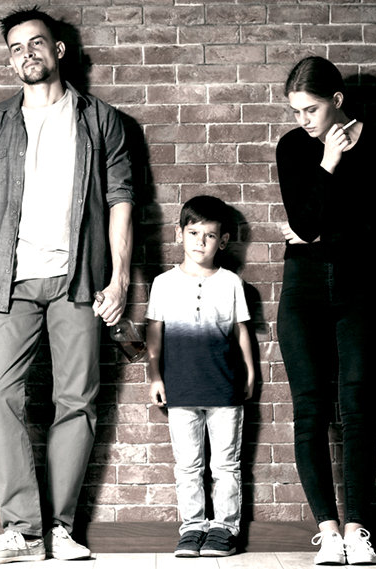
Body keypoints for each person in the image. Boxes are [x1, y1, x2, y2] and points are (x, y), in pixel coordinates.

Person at [0, 7, 134, 565]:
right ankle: (23, 532)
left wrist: (119, 279)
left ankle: (59, 528)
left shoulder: (101, 120)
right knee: (1, 396)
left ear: (58, 50)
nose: (26, 54)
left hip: (78, 280)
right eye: (15, 47)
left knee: (76, 401)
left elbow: (120, 201)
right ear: (11, 60)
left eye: (35, 43)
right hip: (9, 281)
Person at [275, 56, 376, 565]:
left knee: (357, 408)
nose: (302, 120)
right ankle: (328, 532)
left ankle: (357, 531)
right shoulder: (292, 147)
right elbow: (306, 223)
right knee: (309, 410)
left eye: (310, 109)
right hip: (301, 291)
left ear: (338, 100)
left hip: (361, 290)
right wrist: (328, 162)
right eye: (295, 111)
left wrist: (324, 232)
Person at [146, 196, 255, 558]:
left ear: (223, 241)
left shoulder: (231, 283)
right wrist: (155, 376)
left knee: (225, 465)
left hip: (224, 389)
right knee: (188, 466)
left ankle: (225, 528)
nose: (200, 241)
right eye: (193, 233)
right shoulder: (163, 283)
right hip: (180, 388)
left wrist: (251, 373)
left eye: (209, 235)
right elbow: (154, 335)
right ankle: (192, 526)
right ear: (179, 233)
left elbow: (241, 332)